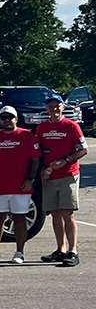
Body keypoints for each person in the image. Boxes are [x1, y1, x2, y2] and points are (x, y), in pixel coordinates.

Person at [0, 106, 41, 264]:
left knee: (19, 218)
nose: (7, 120)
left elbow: (36, 159)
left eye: (10, 117)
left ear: (16, 119)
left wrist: (30, 179)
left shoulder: (27, 136)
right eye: (3, 117)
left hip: (21, 188)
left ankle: (19, 253)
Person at [36, 94, 88, 267]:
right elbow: (38, 152)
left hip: (68, 175)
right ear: (47, 109)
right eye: (51, 106)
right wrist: (43, 170)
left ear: (63, 107)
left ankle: (73, 251)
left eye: (57, 106)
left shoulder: (71, 126)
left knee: (67, 212)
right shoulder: (42, 128)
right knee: (55, 213)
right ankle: (61, 249)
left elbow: (83, 150)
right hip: (49, 176)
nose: (54, 109)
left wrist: (65, 160)